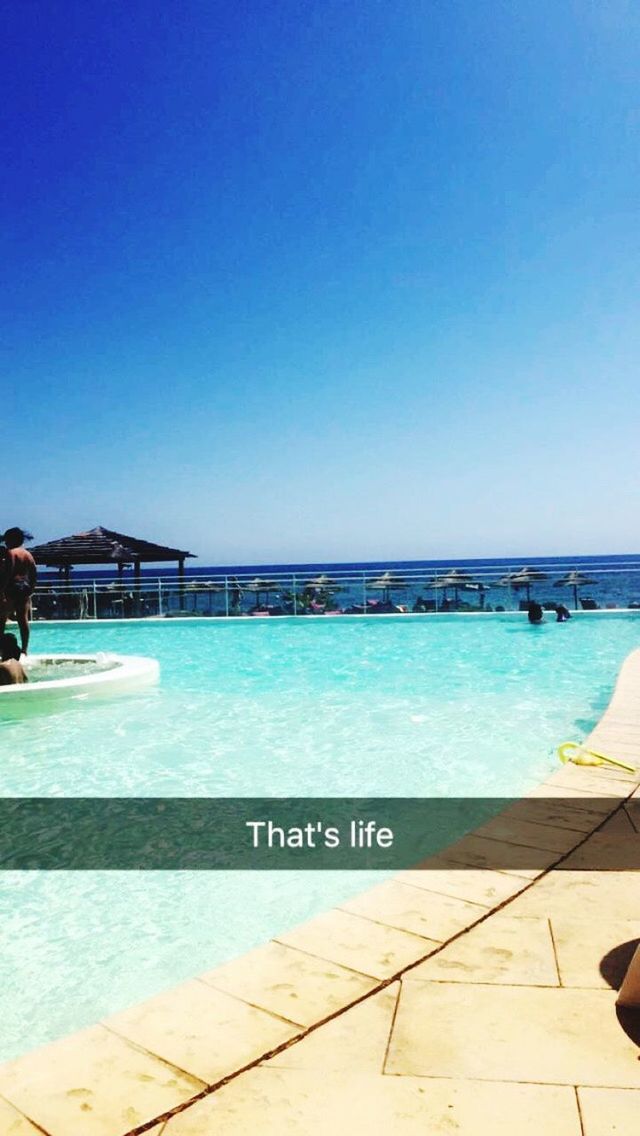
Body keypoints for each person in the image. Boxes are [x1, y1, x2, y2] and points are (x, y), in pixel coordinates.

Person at [0, 527, 37, 654]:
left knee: (2, 618)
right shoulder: (28, 554)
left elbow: (8, 573)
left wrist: (1, 591)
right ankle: (24, 649)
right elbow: (33, 574)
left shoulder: (11, 553)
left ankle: (1, 648)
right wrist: (31, 589)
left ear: (12, 540)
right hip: (25, 588)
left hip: (12, 587)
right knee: (23, 619)